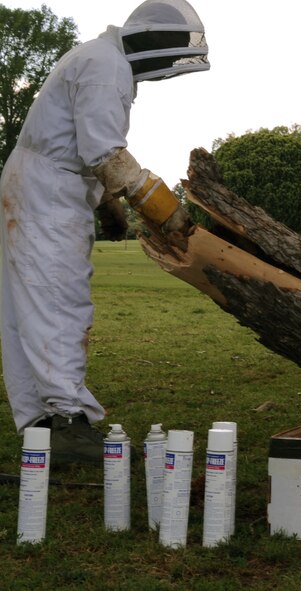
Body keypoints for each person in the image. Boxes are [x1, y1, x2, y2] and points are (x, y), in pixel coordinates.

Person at [0, 0, 209, 464]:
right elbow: (107, 154)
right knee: (58, 299)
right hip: (48, 191)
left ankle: (42, 423)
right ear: (151, 39)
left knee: (27, 304)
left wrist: (109, 204)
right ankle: (68, 421)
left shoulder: (98, 58)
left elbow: (86, 147)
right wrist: (165, 210)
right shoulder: (104, 66)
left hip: (43, 184)